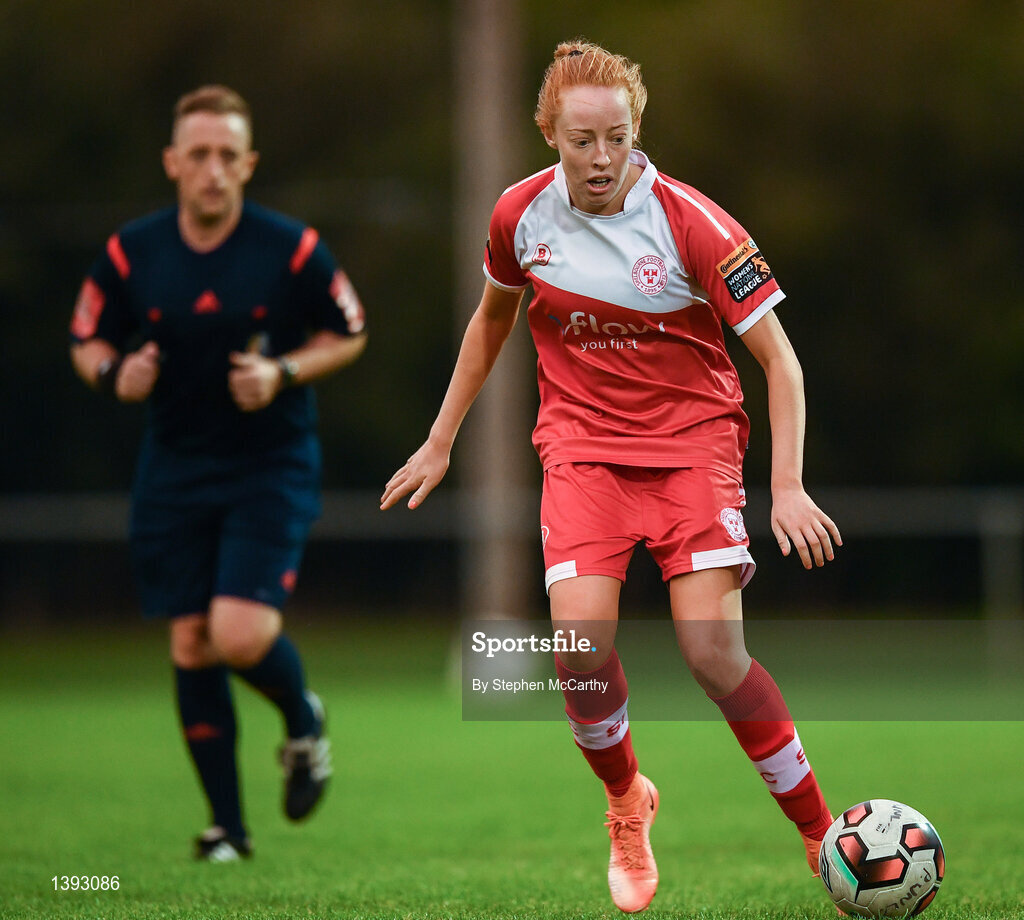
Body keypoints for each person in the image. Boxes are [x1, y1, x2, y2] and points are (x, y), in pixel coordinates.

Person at [381, 41, 841, 913]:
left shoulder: (695, 224)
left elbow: (781, 363)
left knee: (712, 654)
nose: (601, 160)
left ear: (638, 132)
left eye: (617, 140)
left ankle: (823, 834)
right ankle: (627, 801)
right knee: (581, 656)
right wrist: (440, 441)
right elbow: (489, 325)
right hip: (583, 450)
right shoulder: (519, 215)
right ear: (549, 133)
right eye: (581, 141)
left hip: (693, 448)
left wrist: (787, 486)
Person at [70, 85, 367, 862]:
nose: (212, 170)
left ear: (249, 164)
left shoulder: (292, 249)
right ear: (172, 162)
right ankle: (226, 831)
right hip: (174, 465)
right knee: (192, 641)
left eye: (227, 155)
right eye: (197, 154)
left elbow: (349, 332)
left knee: (237, 633)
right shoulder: (131, 252)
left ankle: (302, 718)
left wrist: (283, 373)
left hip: (269, 463)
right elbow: (85, 339)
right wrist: (113, 374)